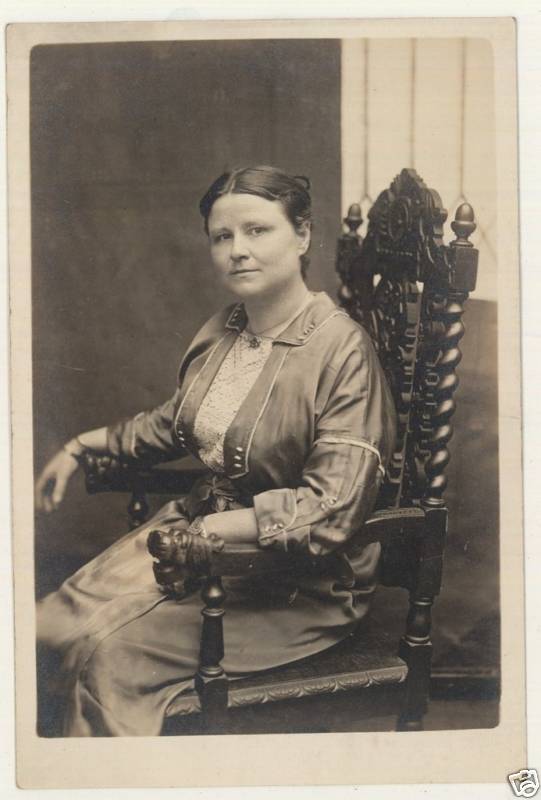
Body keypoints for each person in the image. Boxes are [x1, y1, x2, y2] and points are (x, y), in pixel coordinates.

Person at [35, 165, 397, 737]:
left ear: (302, 235)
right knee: (47, 628)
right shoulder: (224, 329)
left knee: (109, 658)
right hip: (194, 546)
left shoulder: (342, 351)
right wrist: (82, 445)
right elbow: (177, 424)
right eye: (222, 237)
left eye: (258, 231)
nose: (237, 251)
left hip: (296, 585)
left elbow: (331, 507)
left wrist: (210, 535)